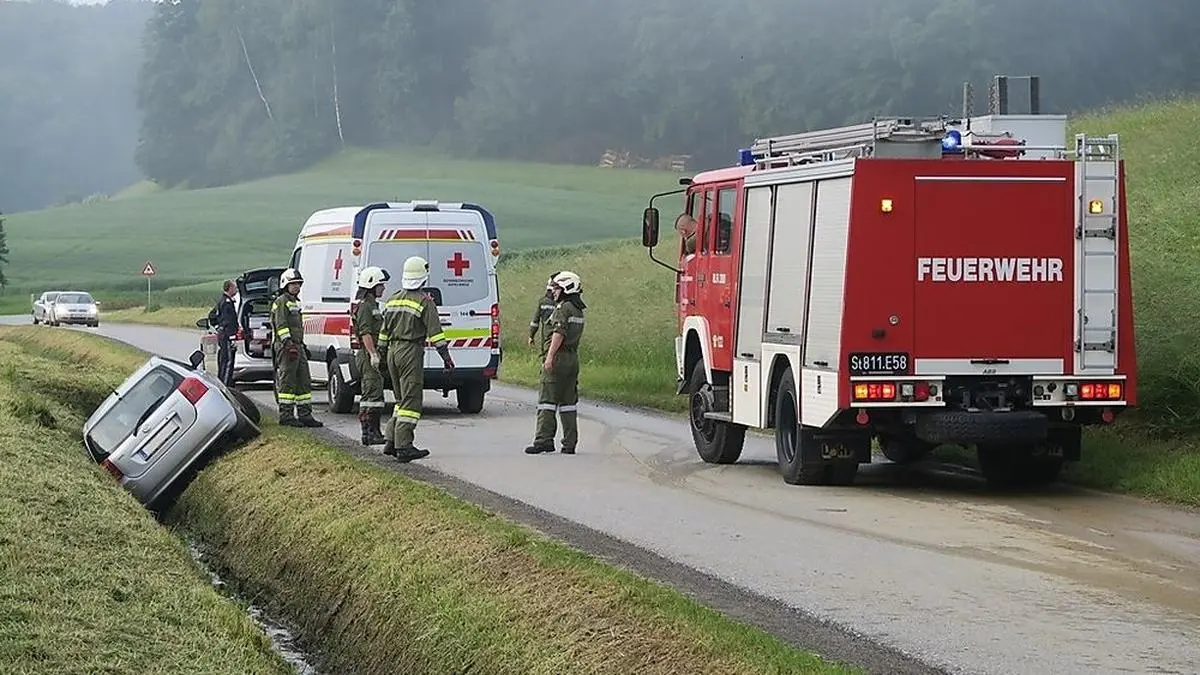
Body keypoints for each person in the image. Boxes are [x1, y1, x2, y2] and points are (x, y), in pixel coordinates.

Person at [377, 256, 454, 462]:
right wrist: (446, 357)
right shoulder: (424, 301)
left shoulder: (392, 299)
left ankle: (391, 441)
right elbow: (435, 333)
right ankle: (404, 446)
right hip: (410, 351)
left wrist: (382, 357)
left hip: (393, 351)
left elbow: (383, 333)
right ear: (423, 277)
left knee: (401, 399)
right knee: (411, 400)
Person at [525, 270, 585, 455]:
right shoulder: (578, 310)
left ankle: (543, 440)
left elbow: (558, 334)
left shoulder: (563, 308)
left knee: (547, 400)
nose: (554, 291)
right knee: (568, 403)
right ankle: (569, 443)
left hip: (558, 357)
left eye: (557, 288)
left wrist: (549, 357)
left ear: (566, 288)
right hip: (572, 359)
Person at [270, 268, 323, 428]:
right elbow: (281, 326)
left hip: (297, 346)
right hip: (287, 347)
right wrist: (288, 344)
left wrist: (300, 345)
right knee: (288, 381)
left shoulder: (294, 302)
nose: (297, 287)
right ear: (286, 284)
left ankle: (305, 414)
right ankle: (286, 415)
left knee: (304, 380)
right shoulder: (281, 302)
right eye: (294, 284)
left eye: (299, 284)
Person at [353, 265, 391, 446]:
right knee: (372, 394)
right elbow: (365, 333)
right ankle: (370, 432)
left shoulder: (373, 306)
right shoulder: (365, 308)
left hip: (371, 354)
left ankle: (372, 432)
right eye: (380, 285)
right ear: (371, 286)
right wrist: (373, 354)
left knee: (373, 394)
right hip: (368, 355)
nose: (383, 288)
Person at [211, 280, 239, 386]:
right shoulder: (226, 303)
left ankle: (223, 383)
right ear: (229, 288)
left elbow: (212, 316)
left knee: (224, 361)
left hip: (223, 335)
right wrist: (232, 337)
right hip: (227, 336)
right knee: (227, 362)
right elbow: (229, 321)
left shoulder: (222, 300)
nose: (236, 290)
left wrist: (218, 327)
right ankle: (225, 386)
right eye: (235, 288)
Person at [527, 272, 560, 350]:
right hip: (560, 338)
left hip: (546, 338)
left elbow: (535, 321)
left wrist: (531, 336)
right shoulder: (563, 303)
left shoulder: (543, 302)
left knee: (546, 358)